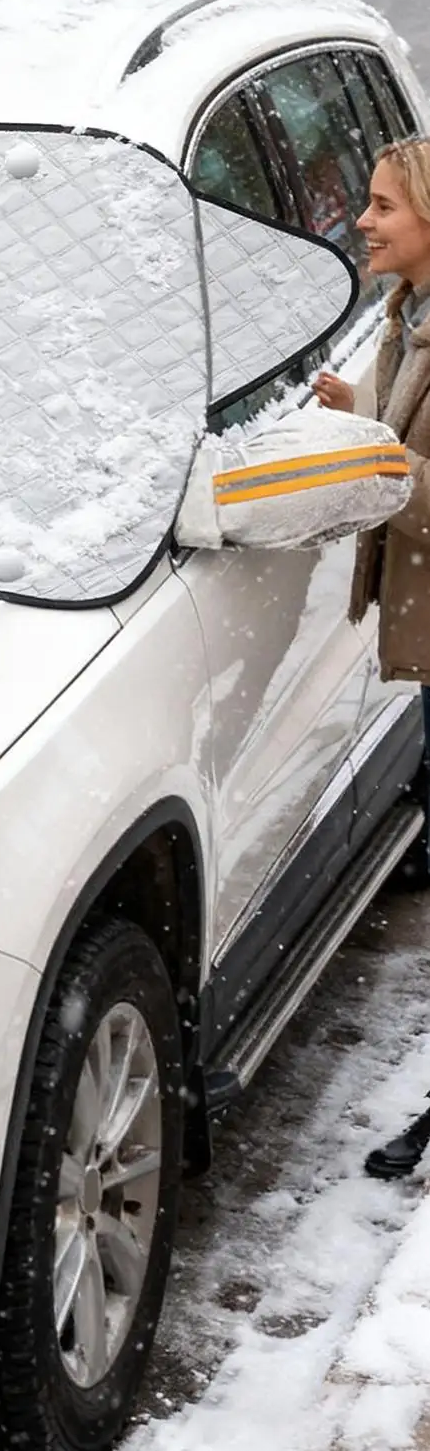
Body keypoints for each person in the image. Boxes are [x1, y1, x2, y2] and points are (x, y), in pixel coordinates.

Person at [314, 135, 430, 1181]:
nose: (362, 220)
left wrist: (375, 458)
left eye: (385, 205)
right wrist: (361, 417)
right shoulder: (407, 318)